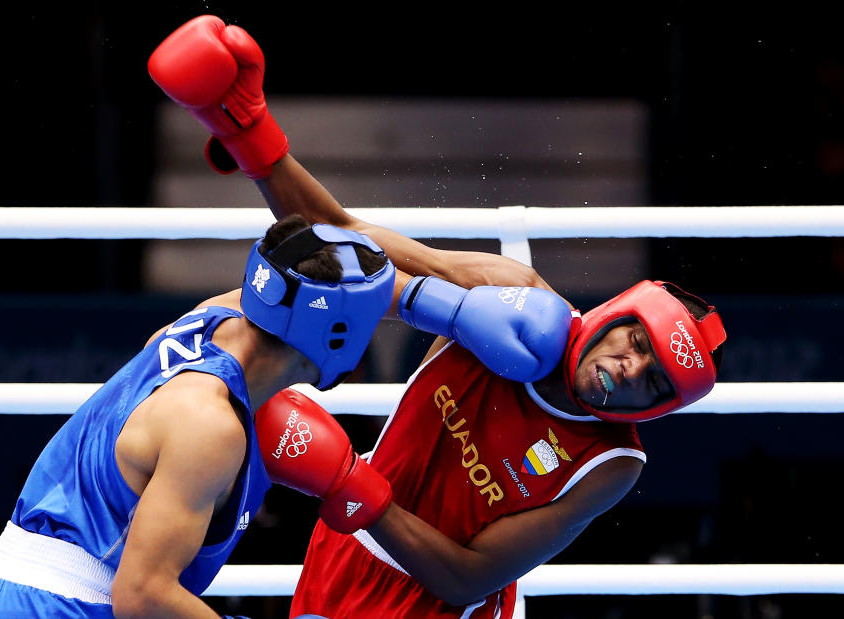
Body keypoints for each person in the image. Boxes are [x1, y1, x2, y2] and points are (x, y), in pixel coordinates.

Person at [151, 14, 728, 619]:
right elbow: (347, 241)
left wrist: (352, 484)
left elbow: (468, 577)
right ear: (614, 315)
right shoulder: (510, 292)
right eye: (636, 341)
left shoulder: (612, 462)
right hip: (342, 552)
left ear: (659, 407)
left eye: (656, 378)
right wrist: (252, 137)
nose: (631, 368)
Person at [0, 127, 395, 619]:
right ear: (337, 338)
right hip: (60, 607)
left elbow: (306, 274)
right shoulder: (210, 425)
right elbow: (143, 597)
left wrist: (446, 306)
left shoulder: (204, 322)